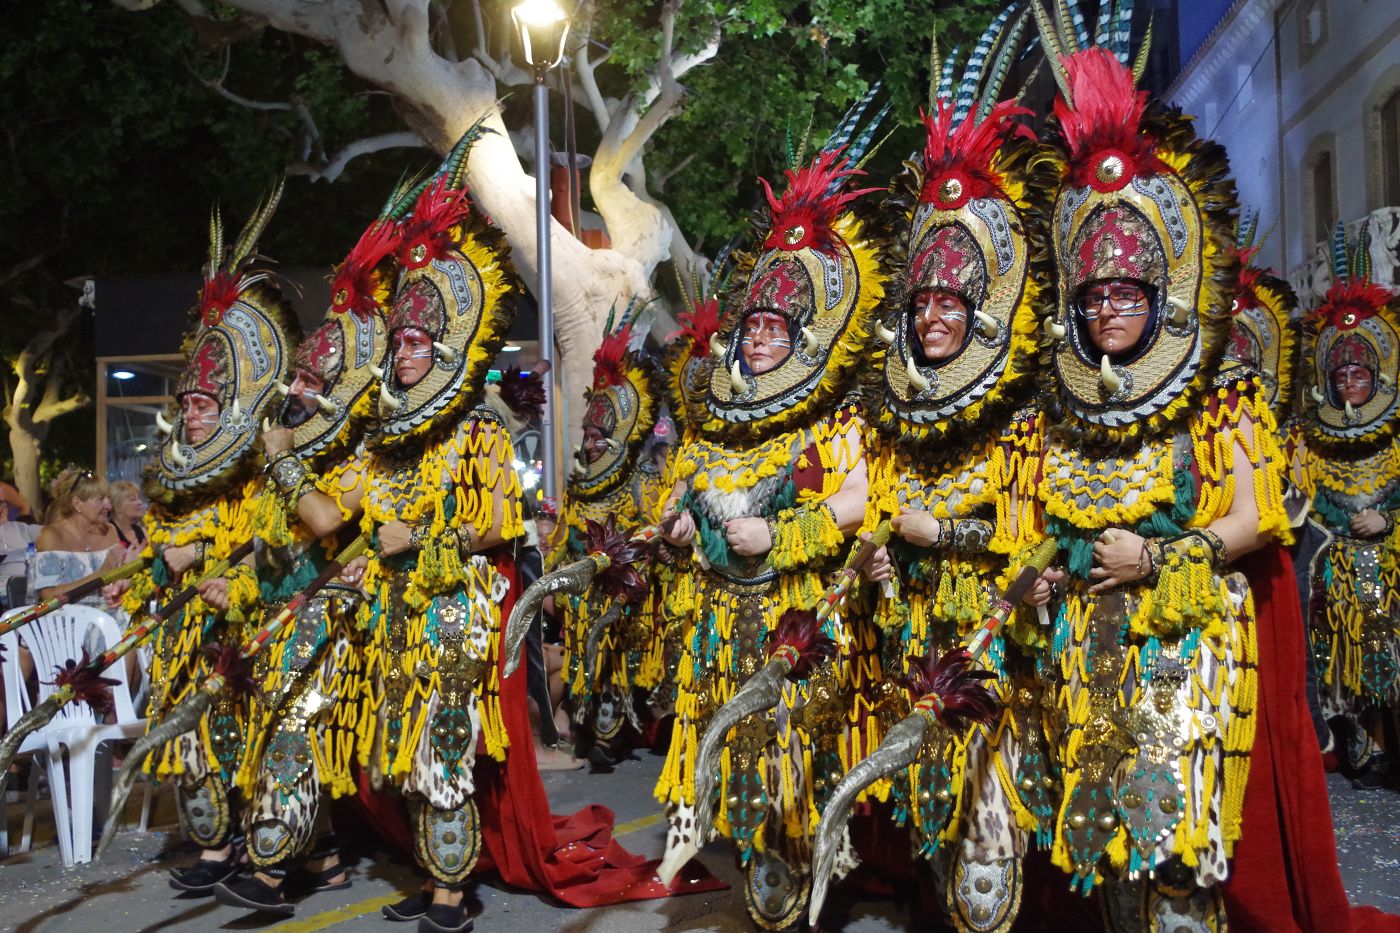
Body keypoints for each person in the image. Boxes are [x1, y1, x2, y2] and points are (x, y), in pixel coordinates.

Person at [1018, 24, 1291, 927]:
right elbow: (1049, 523)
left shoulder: (1222, 384)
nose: (1108, 310)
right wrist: (1042, 574)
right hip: (1083, 644)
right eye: (1094, 295)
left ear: (1161, 290)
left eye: (1125, 293)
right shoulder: (1060, 401)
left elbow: (1254, 516)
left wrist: (1160, 558)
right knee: (1098, 834)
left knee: (1171, 832)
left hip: (1185, 641)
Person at [814, 25, 1054, 928]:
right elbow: (875, 510)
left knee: (988, 829)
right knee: (929, 816)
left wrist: (940, 533)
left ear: (981, 307)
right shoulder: (889, 408)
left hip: (991, 642)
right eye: (923, 304)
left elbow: (1031, 535)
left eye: (951, 303)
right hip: (909, 638)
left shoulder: (1021, 409)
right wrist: (879, 551)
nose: (934, 319)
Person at [653, 100, 886, 929]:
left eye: (773, 328)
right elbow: (680, 505)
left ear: (805, 337)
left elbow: (862, 500)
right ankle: (762, 870)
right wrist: (681, 532)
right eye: (750, 326)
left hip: (794, 617)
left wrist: (781, 534)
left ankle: (801, 877)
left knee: (793, 757)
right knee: (738, 760)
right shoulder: (714, 421)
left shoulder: (832, 416)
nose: (755, 340)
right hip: (721, 622)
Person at [211, 197, 408, 917]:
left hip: (338, 615)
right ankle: (322, 859)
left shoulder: (360, 456)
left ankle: (269, 874)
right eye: (296, 378)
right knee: (276, 724)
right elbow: (274, 541)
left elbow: (325, 520)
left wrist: (283, 461)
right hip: (283, 611)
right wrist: (233, 579)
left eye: (309, 382)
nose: (295, 389)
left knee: (293, 727)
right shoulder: (292, 453)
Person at [115, 187, 297, 897]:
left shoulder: (254, 471)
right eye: (186, 403)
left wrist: (213, 561)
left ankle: (257, 844)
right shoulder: (171, 476)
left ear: (229, 405)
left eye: (204, 404)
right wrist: (151, 569)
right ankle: (213, 846)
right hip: (181, 630)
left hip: (237, 623)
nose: (192, 414)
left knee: (236, 732)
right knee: (189, 738)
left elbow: (268, 544)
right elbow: (157, 545)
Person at [1300, 225, 1400, 790]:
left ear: (1378, 374)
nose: (1347, 385)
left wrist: (1389, 521)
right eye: (1339, 375)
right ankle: (1361, 739)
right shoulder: (1313, 440)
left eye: (1358, 374)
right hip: (1334, 575)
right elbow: (1305, 504)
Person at [554, 310, 666, 767]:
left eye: (598, 436)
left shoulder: (641, 479)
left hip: (622, 593)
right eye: (587, 435)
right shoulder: (579, 485)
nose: (590, 443)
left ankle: (609, 738)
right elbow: (562, 536)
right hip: (581, 597)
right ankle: (584, 730)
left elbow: (654, 531)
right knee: (583, 663)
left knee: (614, 665)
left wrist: (627, 563)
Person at [109, 480, 149, 550]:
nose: (140, 502)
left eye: (139, 498)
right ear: (117, 507)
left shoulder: (143, 532)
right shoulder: (108, 534)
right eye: (133, 499)